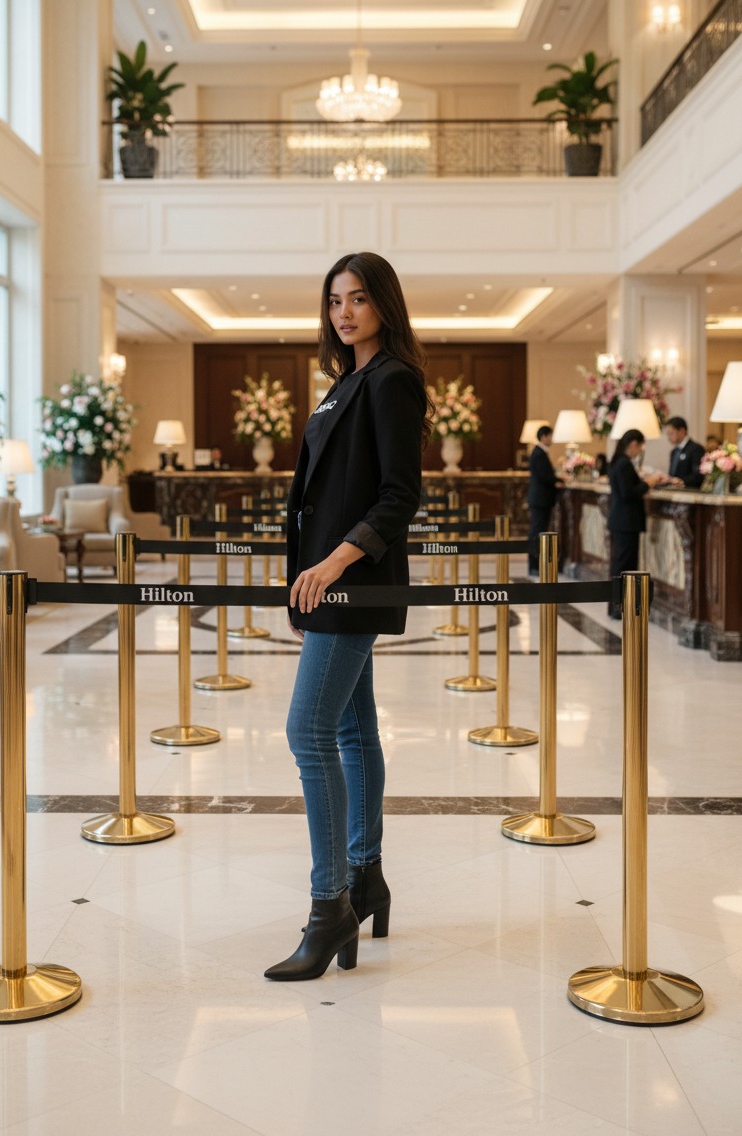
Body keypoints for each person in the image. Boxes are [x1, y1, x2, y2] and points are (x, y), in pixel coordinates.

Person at [264, 251, 430, 982]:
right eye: (336, 300)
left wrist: (332, 563)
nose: (345, 311)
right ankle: (365, 877)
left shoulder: (393, 380)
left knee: (309, 731)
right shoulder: (345, 383)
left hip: (350, 582)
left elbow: (399, 495)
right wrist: (302, 574)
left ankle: (329, 904)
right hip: (324, 584)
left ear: (384, 306)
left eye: (359, 298)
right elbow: (312, 495)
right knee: (353, 730)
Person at [606, 428, 664, 618]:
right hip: (626, 521)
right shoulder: (623, 464)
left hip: (622, 520)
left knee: (621, 564)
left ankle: (617, 606)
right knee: (624, 565)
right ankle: (619, 607)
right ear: (633, 444)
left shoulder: (618, 461)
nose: (640, 451)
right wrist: (649, 483)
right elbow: (628, 493)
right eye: (640, 447)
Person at [526, 424, 562, 576]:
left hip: (541, 499)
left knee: (539, 530)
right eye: (550, 436)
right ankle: (534, 565)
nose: (552, 439)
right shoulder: (539, 453)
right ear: (543, 437)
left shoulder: (540, 452)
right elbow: (545, 476)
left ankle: (536, 564)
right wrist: (557, 480)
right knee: (537, 531)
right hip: (540, 499)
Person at [665, 416, 704, 489]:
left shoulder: (696, 449)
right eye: (668, 434)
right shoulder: (674, 452)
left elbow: (698, 475)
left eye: (671, 433)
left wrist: (681, 481)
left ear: (682, 431)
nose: (669, 437)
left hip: (689, 492)